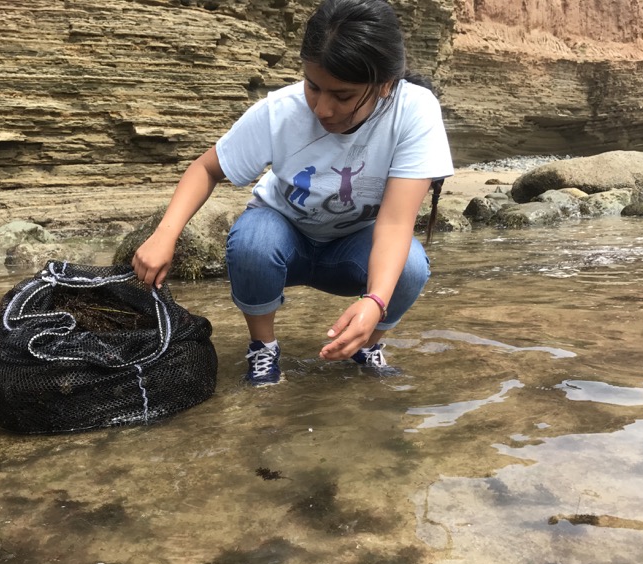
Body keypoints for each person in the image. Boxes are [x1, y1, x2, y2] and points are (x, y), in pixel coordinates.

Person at [131, 0, 454, 386]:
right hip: (283, 235)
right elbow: (206, 168)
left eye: (343, 95)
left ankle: (367, 342)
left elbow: (397, 222)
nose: (322, 108)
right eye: (313, 86)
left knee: (412, 266)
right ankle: (263, 349)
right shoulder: (281, 111)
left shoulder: (413, 111)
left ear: (385, 85)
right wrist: (165, 234)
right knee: (252, 242)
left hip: (353, 248)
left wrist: (375, 301)